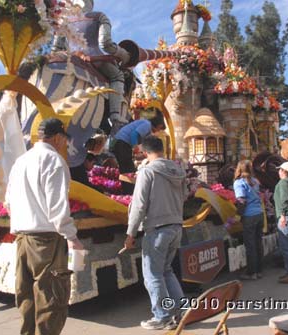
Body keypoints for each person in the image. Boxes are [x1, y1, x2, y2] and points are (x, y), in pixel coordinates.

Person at [6, 118, 84, 335]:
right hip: (47, 241)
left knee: (27, 298)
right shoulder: (54, 161)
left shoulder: (21, 161)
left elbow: (8, 202)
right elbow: (57, 206)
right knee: (51, 299)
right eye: (64, 140)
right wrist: (72, 237)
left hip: (22, 238)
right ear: (58, 137)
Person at [123, 136, 186, 330]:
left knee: (153, 275)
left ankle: (162, 316)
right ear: (162, 149)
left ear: (144, 152)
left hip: (157, 228)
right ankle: (182, 310)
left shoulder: (148, 171)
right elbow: (183, 197)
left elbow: (139, 204)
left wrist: (131, 233)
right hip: (175, 226)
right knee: (166, 271)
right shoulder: (178, 171)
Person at [69, 0, 131, 135]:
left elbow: (57, 47)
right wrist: (123, 54)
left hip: (70, 58)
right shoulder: (98, 17)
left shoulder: (64, 20)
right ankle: (115, 118)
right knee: (117, 76)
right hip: (93, 58)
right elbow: (106, 44)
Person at [112, 112, 166, 193]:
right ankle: (129, 192)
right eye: (160, 127)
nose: (159, 130)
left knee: (127, 169)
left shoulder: (147, 129)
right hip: (122, 143)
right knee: (128, 169)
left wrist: (141, 153)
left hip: (122, 144)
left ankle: (128, 191)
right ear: (157, 123)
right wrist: (135, 147)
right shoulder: (147, 124)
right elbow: (134, 134)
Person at [233, 160, 264, 280]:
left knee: (250, 245)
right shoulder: (255, 181)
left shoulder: (239, 183)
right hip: (259, 214)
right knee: (258, 243)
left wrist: (237, 216)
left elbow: (241, 201)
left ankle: (252, 272)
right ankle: (259, 270)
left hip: (249, 216)